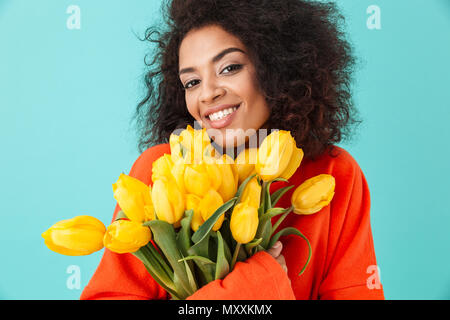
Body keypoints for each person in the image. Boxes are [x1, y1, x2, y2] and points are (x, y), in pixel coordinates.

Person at [80, 0, 385, 300]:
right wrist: (255, 287)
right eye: (192, 82)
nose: (208, 93)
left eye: (229, 68)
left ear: (276, 67)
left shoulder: (335, 174)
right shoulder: (161, 170)